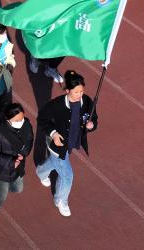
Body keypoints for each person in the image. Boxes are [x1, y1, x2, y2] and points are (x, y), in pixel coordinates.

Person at [35, 70, 97, 218]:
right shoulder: (56, 104)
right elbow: (42, 119)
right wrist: (53, 133)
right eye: (76, 92)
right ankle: (60, 200)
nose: (79, 94)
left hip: (72, 141)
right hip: (57, 145)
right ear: (67, 90)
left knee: (55, 163)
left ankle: (41, 171)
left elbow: (93, 117)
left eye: (81, 91)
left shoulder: (87, 101)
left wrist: (92, 125)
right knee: (67, 176)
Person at [0, 103, 34, 216]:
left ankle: (0, 187)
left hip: (18, 166)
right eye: (17, 120)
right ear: (8, 119)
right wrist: (11, 162)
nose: (21, 122)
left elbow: (30, 139)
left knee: (17, 189)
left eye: (22, 118)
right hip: (1, 169)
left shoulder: (26, 124)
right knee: (1, 196)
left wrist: (24, 152)